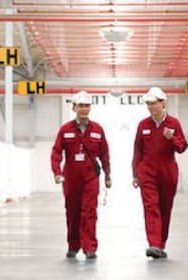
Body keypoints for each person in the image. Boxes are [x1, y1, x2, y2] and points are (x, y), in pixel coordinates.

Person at [50, 91, 111, 259]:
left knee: (89, 211)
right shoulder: (65, 130)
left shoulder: (97, 129)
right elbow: (56, 153)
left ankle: (90, 247)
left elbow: (105, 154)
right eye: (81, 106)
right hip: (71, 178)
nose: (84, 109)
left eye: (87, 106)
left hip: (91, 176)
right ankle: (73, 245)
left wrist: (107, 175)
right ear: (74, 108)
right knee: (72, 211)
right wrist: (57, 172)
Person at [132, 87, 187, 259]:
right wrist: (135, 174)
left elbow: (182, 147)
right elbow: (137, 151)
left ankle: (161, 244)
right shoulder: (143, 125)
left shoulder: (174, 123)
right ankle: (153, 243)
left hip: (168, 171)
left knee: (165, 208)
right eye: (148, 104)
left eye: (153, 103)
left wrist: (172, 138)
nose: (150, 107)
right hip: (147, 171)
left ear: (163, 103)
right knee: (150, 207)